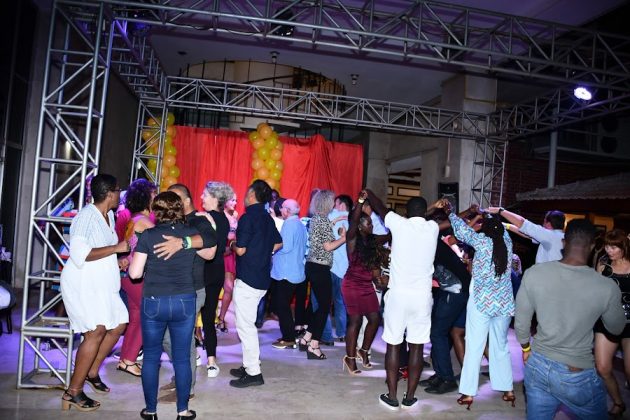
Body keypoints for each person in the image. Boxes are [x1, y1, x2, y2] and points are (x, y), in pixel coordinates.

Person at [515, 219, 626, 420]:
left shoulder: (534, 273)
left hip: (537, 364)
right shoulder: (606, 287)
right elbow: (616, 328)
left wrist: (525, 348)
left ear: (564, 242)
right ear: (593, 246)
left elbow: (521, 324)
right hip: (576, 370)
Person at [128, 191, 213, 420]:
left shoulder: (148, 235)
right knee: (182, 357)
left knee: (151, 357)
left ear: (155, 212)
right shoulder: (190, 234)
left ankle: (151, 411)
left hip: (154, 301)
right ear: (179, 209)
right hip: (184, 300)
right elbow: (211, 243)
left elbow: (135, 274)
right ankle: (183, 411)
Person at [60, 174, 129, 412]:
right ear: (109, 194)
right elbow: (80, 254)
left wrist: (116, 260)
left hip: (102, 282)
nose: (120, 194)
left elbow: (101, 250)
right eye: (118, 190)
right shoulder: (85, 217)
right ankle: (73, 392)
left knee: (119, 324)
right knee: (95, 331)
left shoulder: (109, 215)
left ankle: (90, 371)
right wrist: (117, 248)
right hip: (82, 283)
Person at [364, 189, 438, 410]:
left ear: (406, 211)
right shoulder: (432, 228)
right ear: (424, 212)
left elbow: (380, 207)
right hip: (422, 298)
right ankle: (410, 397)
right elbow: (431, 219)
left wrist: (369, 193)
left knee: (394, 345)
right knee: (417, 347)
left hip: (398, 295)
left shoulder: (399, 224)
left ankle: (392, 396)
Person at [444, 202, 516, 410]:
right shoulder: (507, 242)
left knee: (474, 346)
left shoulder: (482, 242)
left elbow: (461, 231)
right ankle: (508, 390)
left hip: (481, 303)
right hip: (503, 304)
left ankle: (468, 393)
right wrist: (490, 216)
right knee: (500, 346)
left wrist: (450, 212)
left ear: (485, 230)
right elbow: (499, 229)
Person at [157, 184, 217, 402]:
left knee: (183, 339)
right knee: (166, 337)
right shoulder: (173, 220)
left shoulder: (198, 221)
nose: (171, 204)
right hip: (171, 289)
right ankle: (183, 375)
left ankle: (187, 387)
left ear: (186, 201)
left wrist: (183, 242)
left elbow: (211, 248)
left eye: (175, 200)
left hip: (192, 289)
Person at [228, 180, 282, 388]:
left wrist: (232, 243)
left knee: (245, 327)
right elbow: (279, 243)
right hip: (262, 278)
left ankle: (253, 373)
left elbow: (240, 249)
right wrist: (262, 252)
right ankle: (249, 364)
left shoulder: (248, 217)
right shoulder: (268, 218)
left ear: (251, 194)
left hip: (248, 279)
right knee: (248, 324)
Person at [341, 191, 388, 375]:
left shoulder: (373, 240)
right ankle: (350, 358)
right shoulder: (352, 238)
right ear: (360, 226)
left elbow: (391, 235)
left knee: (375, 319)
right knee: (356, 321)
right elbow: (353, 221)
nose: (371, 225)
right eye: (368, 223)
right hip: (352, 284)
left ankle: (364, 350)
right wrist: (360, 201)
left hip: (367, 285)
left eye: (371, 223)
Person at [297, 189, 346, 360]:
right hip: (320, 267)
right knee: (324, 307)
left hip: (312, 265)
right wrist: (344, 238)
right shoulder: (323, 220)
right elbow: (328, 246)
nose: (334, 204)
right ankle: (314, 345)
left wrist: (335, 224)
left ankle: (306, 338)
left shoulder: (316, 219)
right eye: (332, 201)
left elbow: (321, 237)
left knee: (319, 306)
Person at [117, 178, 156, 378]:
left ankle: (126, 360)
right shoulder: (144, 222)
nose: (156, 198)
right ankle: (130, 360)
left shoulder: (135, 219)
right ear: (146, 197)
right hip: (135, 275)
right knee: (148, 314)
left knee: (136, 318)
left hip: (127, 275)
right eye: (154, 194)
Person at [593, 229, 630, 417]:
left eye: (614, 247)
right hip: (607, 320)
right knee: (602, 367)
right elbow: (596, 293)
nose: (609, 250)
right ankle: (618, 402)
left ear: (624, 247)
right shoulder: (603, 265)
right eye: (607, 246)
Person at [198, 181, 232, 378]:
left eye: (205, 195)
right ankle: (211, 361)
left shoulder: (203, 218)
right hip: (217, 270)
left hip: (201, 270)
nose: (201, 198)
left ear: (214, 198)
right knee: (209, 317)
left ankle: (193, 355)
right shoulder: (225, 219)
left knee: (190, 315)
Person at [270, 199, 307, 349]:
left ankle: (288, 338)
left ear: (288, 211)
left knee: (282, 306)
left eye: (283, 208)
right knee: (283, 305)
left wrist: (271, 249)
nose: (281, 210)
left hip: (286, 272)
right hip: (295, 270)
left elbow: (285, 247)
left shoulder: (289, 225)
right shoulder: (299, 224)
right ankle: (289, 335)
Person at [488, 207, 565, 264]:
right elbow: (527, 234)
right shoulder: (562, 236)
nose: (543, 223)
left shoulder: (549, 235)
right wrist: (505, 225)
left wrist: (500, 210)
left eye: (544, 221)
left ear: (548, 223)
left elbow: (522, 223)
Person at [329, 194, 352, 342]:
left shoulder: (333, 216)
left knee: (323, 302)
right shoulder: (355, 220)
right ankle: (342, 332)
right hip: (346, 268)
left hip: (331, 266)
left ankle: (324, 334)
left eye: (335, 203)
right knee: (341, 302)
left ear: (341, 205)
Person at [218, 192, 238, 332]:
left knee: (229, 288)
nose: (235, 203)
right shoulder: (219, 216)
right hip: (219, 253)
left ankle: (221, 318)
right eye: (232, 200)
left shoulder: (235, 216)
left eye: (236, 200)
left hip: (230, 254)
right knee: (213, 290)